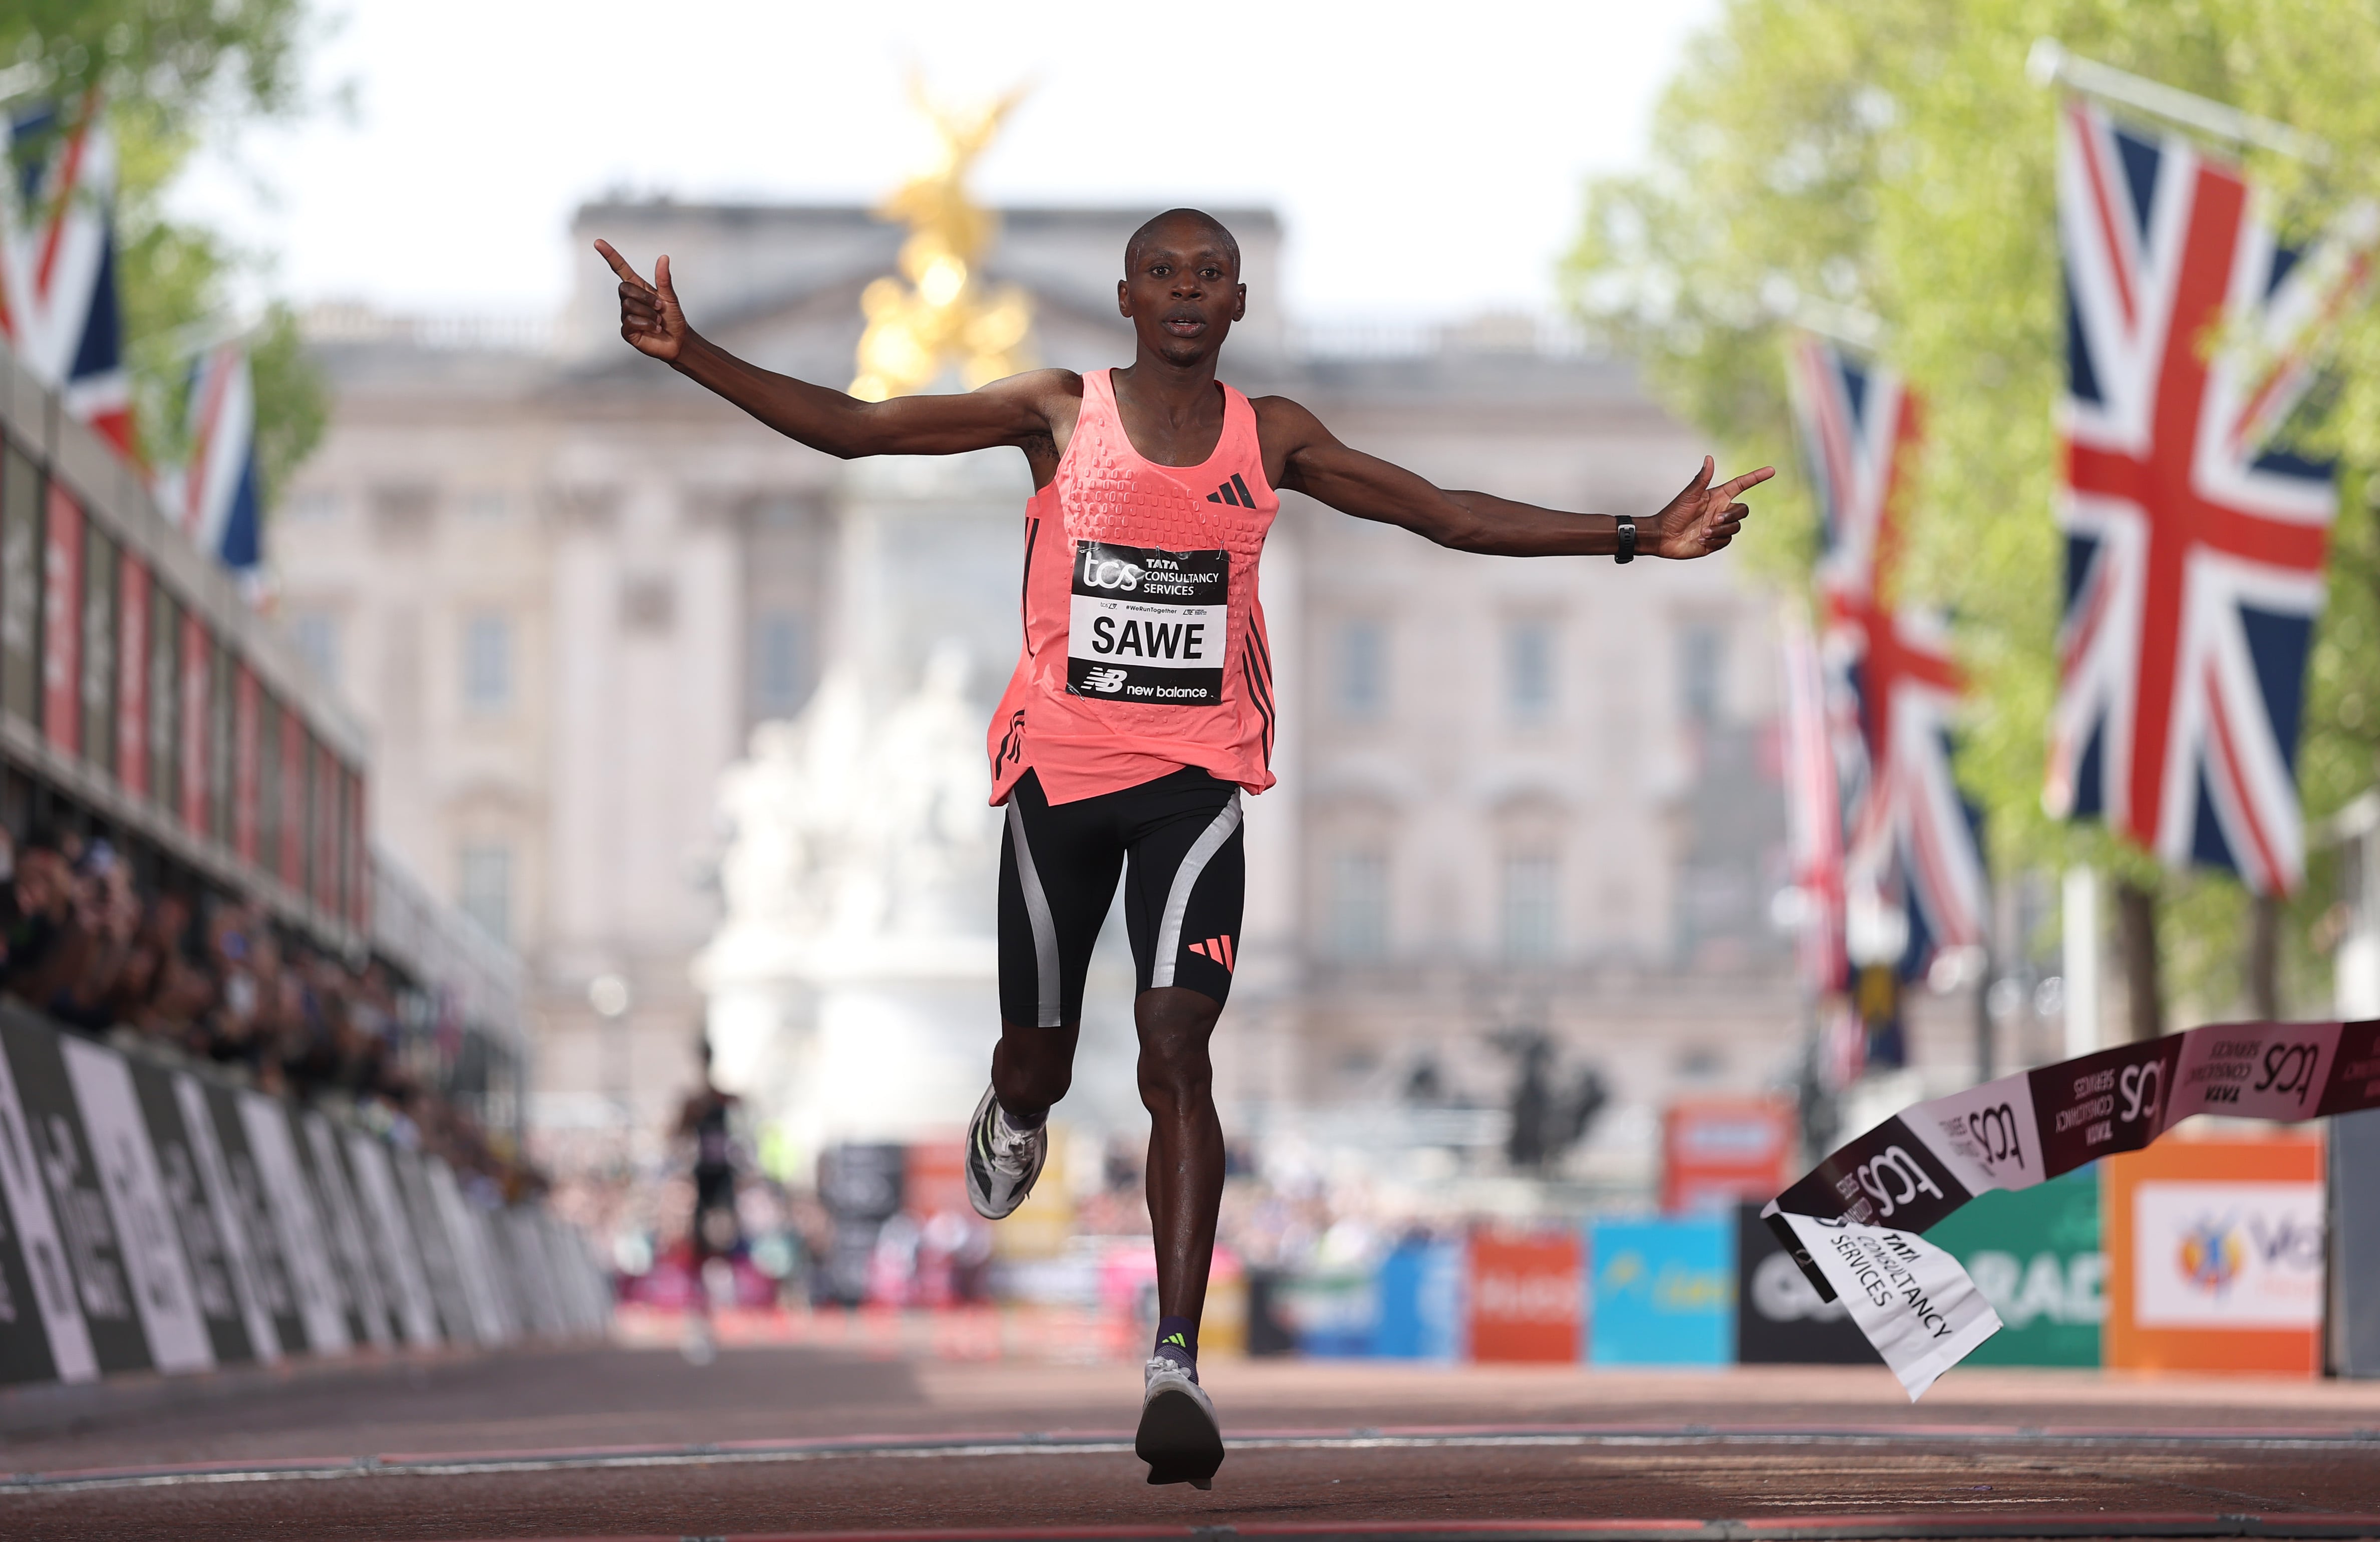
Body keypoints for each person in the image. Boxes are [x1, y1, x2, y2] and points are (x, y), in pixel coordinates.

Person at [596, 211, 1769, 1487]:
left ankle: (1173, 1358)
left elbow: (1443, 515)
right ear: (1125, 297)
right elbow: (859, 429)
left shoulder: (1272, 437)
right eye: (1163, 273)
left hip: (1194, 790)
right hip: (1058, 787)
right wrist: (690, 353)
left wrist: (1634, 535)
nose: (1187, 291)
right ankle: (1016, 1108)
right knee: (1038, 1060)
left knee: (1174, 1052)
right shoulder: (1057, 411)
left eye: (1210, 275)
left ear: (1239, 302)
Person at [673, 1037, 743, 1364]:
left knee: (720, 1239)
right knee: (703, 1245)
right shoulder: (695, 1102)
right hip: (704, 1178)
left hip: (723, 1179)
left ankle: (716, 1305)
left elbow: (743, 1118)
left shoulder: (722, 1099)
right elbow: (676, 1134)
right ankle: (702, 1315)